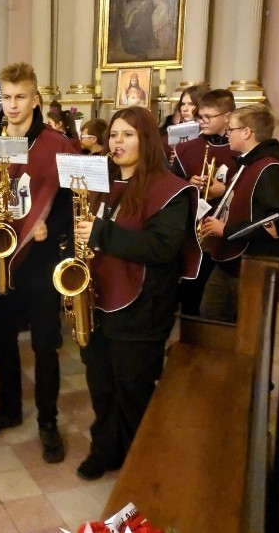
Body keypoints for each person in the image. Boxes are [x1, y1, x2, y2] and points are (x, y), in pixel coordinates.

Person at [75, 107, 200, 480]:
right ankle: (105, 448)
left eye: (127, 135)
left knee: (132, 388)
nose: (117, 142)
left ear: (145, 140)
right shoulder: (101, 183)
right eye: (114, 135)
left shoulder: (170, 189)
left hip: (142, 308)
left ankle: (137, 461)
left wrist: (99, 234)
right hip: (98, 301)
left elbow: (162, 248)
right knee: (101, 383)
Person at [0, 62, 76, 464]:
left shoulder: (56, 144)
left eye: (21, 97)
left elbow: (70, 200)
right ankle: (9, 408)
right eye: (7, 97)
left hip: (40, 259)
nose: (13, 105)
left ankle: (47, 420)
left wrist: (51, 225)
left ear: (35, 99)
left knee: (45, 345)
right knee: (1, 340)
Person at [200, 105, 279, 323]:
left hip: (253, 264)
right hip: (233, 260)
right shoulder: (250, 163)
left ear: (246, 132)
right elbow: (251, 203)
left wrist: (225, 229)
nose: (228, 135)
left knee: (240, 328)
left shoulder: (271, 169)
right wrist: (225, 192)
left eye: (231, 130)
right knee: (211, 318)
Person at [171, 89, 240, 317]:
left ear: (227, 117)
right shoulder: (186, 149)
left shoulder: (240, 148)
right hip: (194, 230)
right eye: (201, 116)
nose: (202, 121)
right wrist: (188, 183)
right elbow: (170, 186)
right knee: (191, 292)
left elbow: (250, 187)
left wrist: (226, 188)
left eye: (209, 117)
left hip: (227, 233)